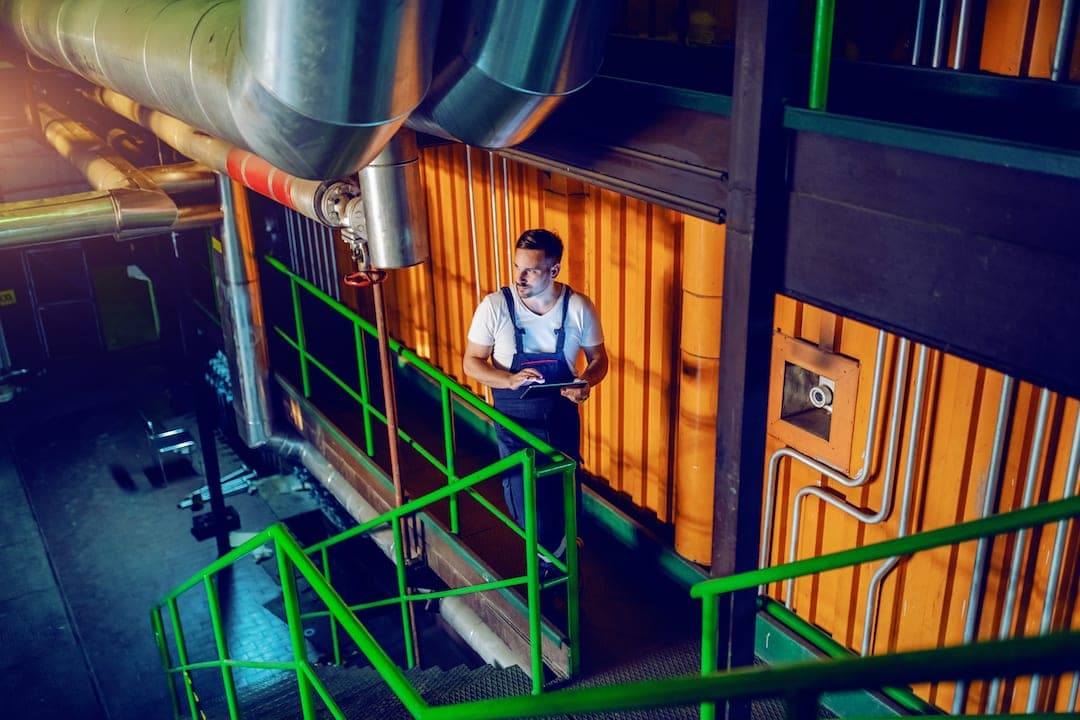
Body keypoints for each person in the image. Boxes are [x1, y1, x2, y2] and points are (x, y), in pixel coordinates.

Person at [463, 228, 608, 571]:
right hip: (516, 422)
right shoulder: (495, 307)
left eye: (530, 270)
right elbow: (470, 363)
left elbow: (599, 359)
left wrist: (585, 382)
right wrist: (509, 380)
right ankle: (553, 563)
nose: (520, 277)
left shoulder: (578, 307)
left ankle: (556, 565)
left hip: (562, 418)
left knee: (564, 496)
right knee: (527, 502)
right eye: (517, 267)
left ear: (554, 270)